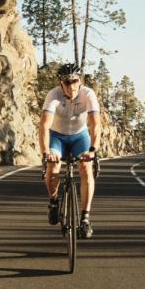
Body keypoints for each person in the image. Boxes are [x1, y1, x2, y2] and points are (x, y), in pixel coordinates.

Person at [39, 62, 102, 239]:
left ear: (79, 80)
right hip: (57, 137)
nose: (71, 86)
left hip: (79, 137)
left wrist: (92, 150)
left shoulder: (88, 94)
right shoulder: (53, 95)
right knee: (53, 168)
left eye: (75, 81)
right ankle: (53, 202)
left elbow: (96, 125)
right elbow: (44, 126)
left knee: (85, 168)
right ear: (61, 83)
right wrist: (46, 153)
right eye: (67, 82)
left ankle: (85, 218)